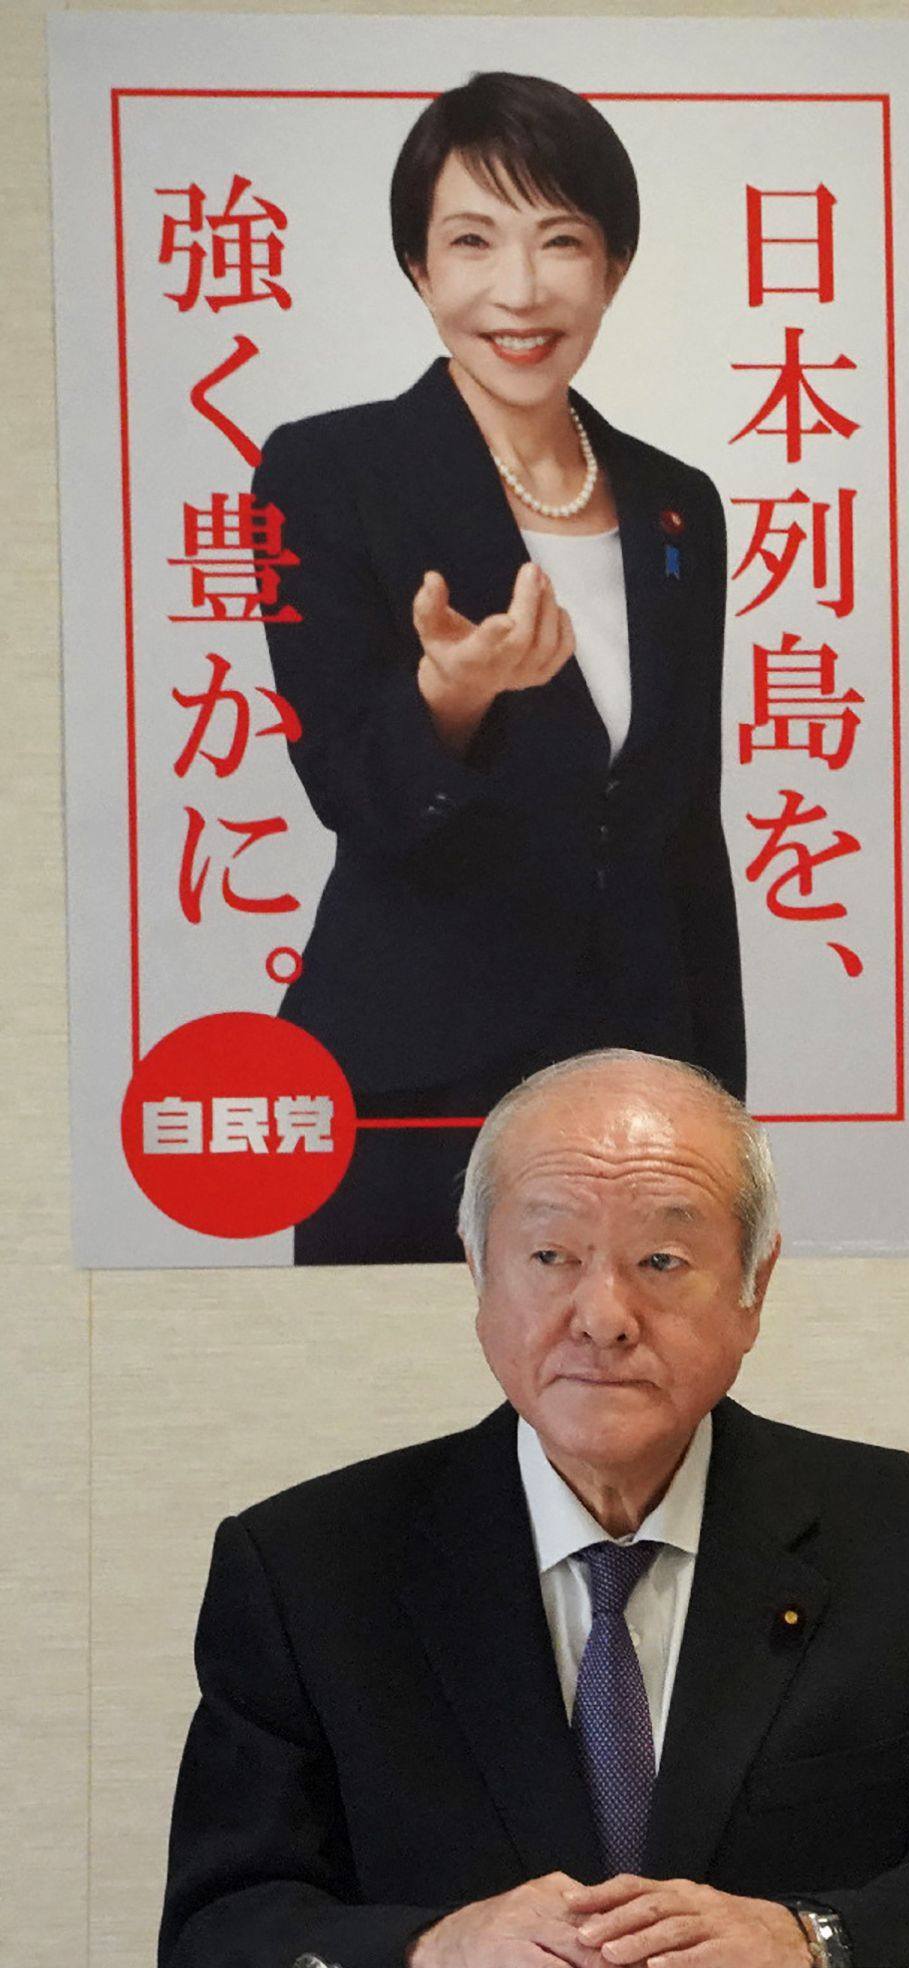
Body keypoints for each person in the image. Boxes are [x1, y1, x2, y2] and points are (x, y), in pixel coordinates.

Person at [158, 1050, 909, 1968]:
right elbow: (219, 1926)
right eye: (551, 1256)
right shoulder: (306, 1568)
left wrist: (810, 1935)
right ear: (479, 1272)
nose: (603, 1315)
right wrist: (430, 1944)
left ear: (754, 1285)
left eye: (661, 1260)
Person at [258, 73, 743, 1264]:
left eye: (561, 241)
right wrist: (453, 692)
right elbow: (356, 795)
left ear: (614, 266)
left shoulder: (678, 503)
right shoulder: (329, 473)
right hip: (410, 1084)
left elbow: (685, 828)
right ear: (418, 268)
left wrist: (720, 1117)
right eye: (472, 241)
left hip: (627, 1108)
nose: (519, 291)